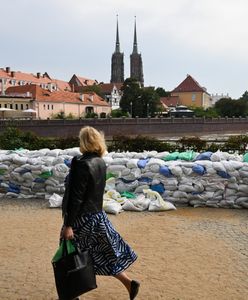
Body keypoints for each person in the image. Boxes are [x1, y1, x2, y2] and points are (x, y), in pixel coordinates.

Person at [61, 126, 140, 299]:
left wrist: (68, 225)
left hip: (81, 219)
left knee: (71, 255)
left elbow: (76, 198)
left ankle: (72, 295)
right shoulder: (100, 162)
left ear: (83, 141)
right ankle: (129, 283)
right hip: (97, 216)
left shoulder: (82, 164)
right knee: (103, 254)